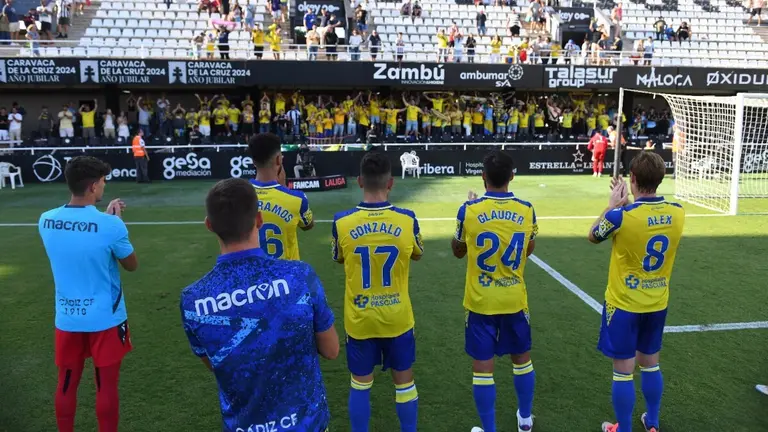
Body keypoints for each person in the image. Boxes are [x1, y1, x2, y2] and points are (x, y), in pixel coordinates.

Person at [180, 178, 339, 432]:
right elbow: (331, 350)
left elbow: (218, 364)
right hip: (307, 424)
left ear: (209, 225)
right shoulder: (300, 276)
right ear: (259, 219)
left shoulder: (193, 299)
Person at [38, 156, 138, 432]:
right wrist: (113, 224)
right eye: (103, 181)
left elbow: (79, 236)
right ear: (94, 186)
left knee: (67, 382)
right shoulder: (111, 226)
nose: (104, 186)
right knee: (105, 385)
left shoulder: (46, 220)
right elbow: (131, 265)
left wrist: (103, 219)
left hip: (67, 318)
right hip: (106, 319)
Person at [589, 151, 685, 432]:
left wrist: (612, 205)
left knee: (623, 372)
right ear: (661, 179)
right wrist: (628, 204)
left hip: (623, 305)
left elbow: (594, 235)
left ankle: (624, 429)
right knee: (650, 364)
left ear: (632, 179)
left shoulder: (620, 216)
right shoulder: (678, 213)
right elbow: (647, 219)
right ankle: (652, 422)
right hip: (657, 302)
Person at [331, 150, 424, 432]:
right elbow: (418, 254)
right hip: (397, 317)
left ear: (359, 181)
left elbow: (338, 258)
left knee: (360, 384)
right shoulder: (407, 220)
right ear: (391, 183)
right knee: (405, 383)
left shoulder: (341, 222)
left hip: (360, 319)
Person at [451, 150, 537, 432]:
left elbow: (458, 250)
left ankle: (489, 429)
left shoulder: (469, 210)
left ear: (483, 176)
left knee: (483, 370)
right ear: (512, 176)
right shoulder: (526, 209)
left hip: (481, 301)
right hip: (514, 298)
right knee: (522, 361)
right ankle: (525, 420)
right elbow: (529, 248)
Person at [248, 133, 314, 260]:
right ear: (279, 160)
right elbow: (308, 225)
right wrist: (283, 188)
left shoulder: (239, 196)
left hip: (254, 277)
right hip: (287, 277)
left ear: (253, 161)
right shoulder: (297, 199)